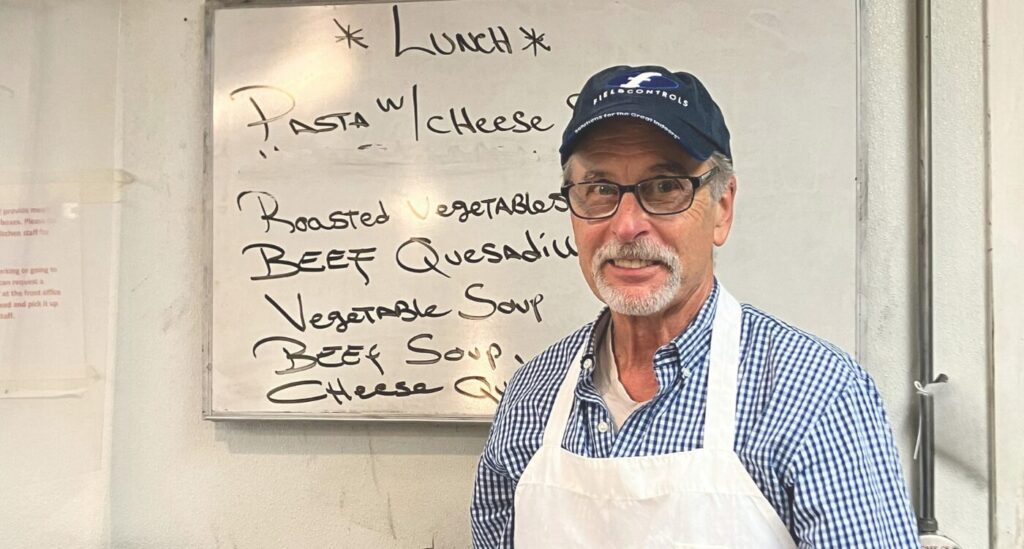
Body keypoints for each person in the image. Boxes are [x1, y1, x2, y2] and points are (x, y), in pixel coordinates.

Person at [470, 65, 919, 548]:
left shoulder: (815, 396)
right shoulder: (530, 397)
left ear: (722, 208)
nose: (626, 226)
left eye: (664, 187)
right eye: (599, 189)